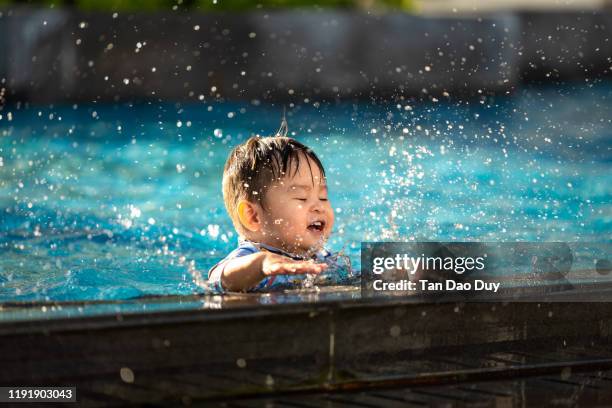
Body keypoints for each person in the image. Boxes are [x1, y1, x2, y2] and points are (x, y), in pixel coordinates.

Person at [208, 130, 335, 292]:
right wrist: (261, 264)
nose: (319, 206)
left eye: (323, 197)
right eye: (302, 198)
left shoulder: (324, 258)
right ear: (253, 216)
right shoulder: (251, 255)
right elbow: (217, 277)